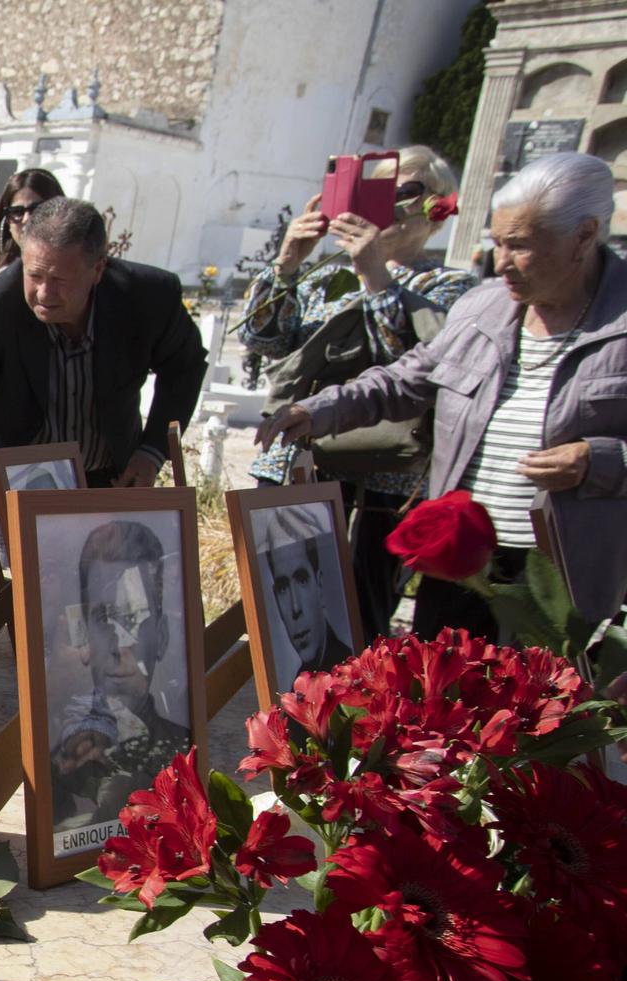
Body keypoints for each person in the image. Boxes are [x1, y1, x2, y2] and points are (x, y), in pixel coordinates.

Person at [256, 152, 627, 638]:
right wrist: (313, 410)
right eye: (496, 243)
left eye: (519, 246)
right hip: (459, 559)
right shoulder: (484, 307)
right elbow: (404, 379)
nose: (501, 263)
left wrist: (598, 460)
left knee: (538, 710)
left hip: (560, 575)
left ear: (583, 235)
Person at [242, 144, 471, 641]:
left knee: (359, 615)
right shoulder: (325, 278)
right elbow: (263, 340)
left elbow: (411, 370)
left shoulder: (451, 287)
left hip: (378, 480)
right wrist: (286, 263)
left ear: (435, 206)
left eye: (401, 192)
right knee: (277, 612)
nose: (384, 207)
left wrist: (376, 276)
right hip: (294, 459)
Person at [0, 198, 207, 546]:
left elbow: (184, 367)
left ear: (98, 270)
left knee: (103, 571)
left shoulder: (148, 298)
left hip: (101, 467)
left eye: (59, 279)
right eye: (34, 275)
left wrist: (152, 451)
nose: (43, 293)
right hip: (2, 456)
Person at [52, 519, 191, 833]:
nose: (119, 643)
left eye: (133, 618)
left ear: (162, 636)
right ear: (83, 633)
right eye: (103, 617)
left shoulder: (184, 749)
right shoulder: (58, 760)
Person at [258, 504, 353, 687]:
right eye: (283, 588)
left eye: (302, 580)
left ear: (319, 583)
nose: (295, 608)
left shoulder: (346, 670)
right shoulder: (295, 685)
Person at [0, 168, 65, 284]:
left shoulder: (75, 271)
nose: (27, 219)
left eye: (37, 209)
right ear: (6, 221)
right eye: (17, 211)